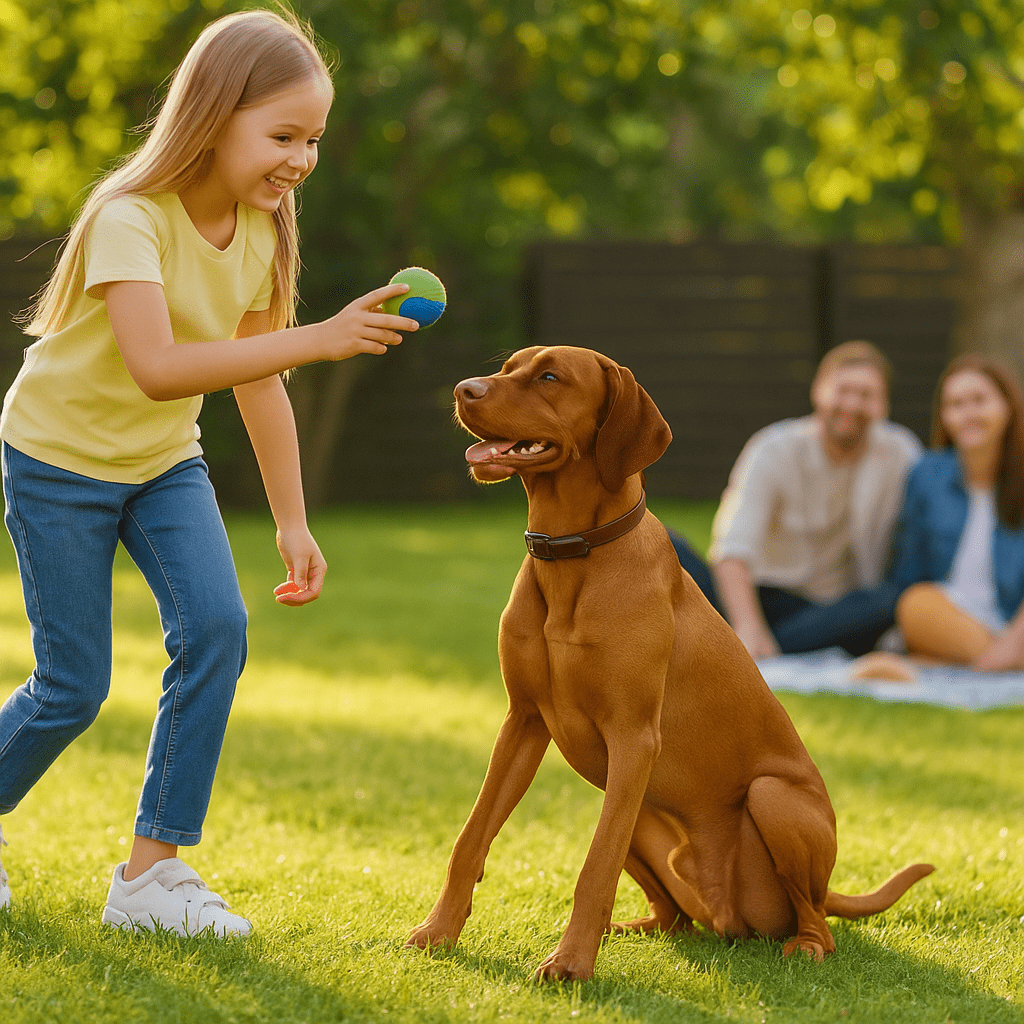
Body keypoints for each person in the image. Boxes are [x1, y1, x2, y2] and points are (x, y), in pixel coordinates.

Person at [0, 9, 418, 932]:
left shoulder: (264, 229)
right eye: (283, 136)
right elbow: (157, 366)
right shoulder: (129, 219)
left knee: (218, 630)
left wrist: (293, 521)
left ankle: (151, 877)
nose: (302, 159)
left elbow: (257, 379)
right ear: (214, 116)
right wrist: (321, 338)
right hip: (57, 461)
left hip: (161, 462)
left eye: (313, 139)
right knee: (72, 687)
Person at [670, 340, 922, 659]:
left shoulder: (901, 453)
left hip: (837, 611)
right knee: (667, 544)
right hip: (760, 596)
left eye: (866, 395)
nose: (852, 404)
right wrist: (749, 627)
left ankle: (753, 647)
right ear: (818, 391)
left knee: (892, 600)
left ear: (884, 405)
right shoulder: (772, 449)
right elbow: (732, 551)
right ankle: (752, 641)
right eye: (843, 390)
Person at [885, 354, 1024, 671]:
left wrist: (1015, 642)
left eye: (979, 401)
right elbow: (909, 573)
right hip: (952, 620)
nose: (968, 414)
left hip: (1015, 624)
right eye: (956, 404)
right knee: (915, 604)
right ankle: (995, 661)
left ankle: (995, 659)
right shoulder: (926, 475)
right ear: (944, 416)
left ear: (1008, 407)